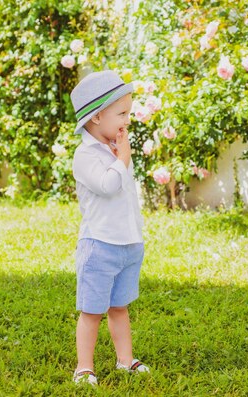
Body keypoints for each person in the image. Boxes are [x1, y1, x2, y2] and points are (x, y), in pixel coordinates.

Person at [69, 70, 150, 386]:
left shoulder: (112, 150)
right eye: (122, 113)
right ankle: (84, 366)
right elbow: (108, 185)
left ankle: (125, 359)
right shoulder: (86, 155)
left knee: (120, 307)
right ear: (97, 116)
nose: (127, 120)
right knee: (92, 311)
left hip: (127, 244)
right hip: (100, 245)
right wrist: (124, 159)